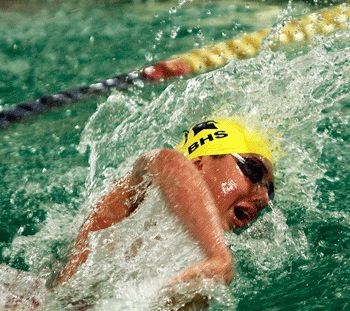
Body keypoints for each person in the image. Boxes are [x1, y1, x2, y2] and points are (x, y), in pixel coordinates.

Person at [55, 118, 275, 289]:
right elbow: (165, 161)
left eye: (270, 190)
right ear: (198, 164)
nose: (264, 196)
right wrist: (218, 255)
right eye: (254, 171)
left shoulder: (191, 257)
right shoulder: (140, 194)